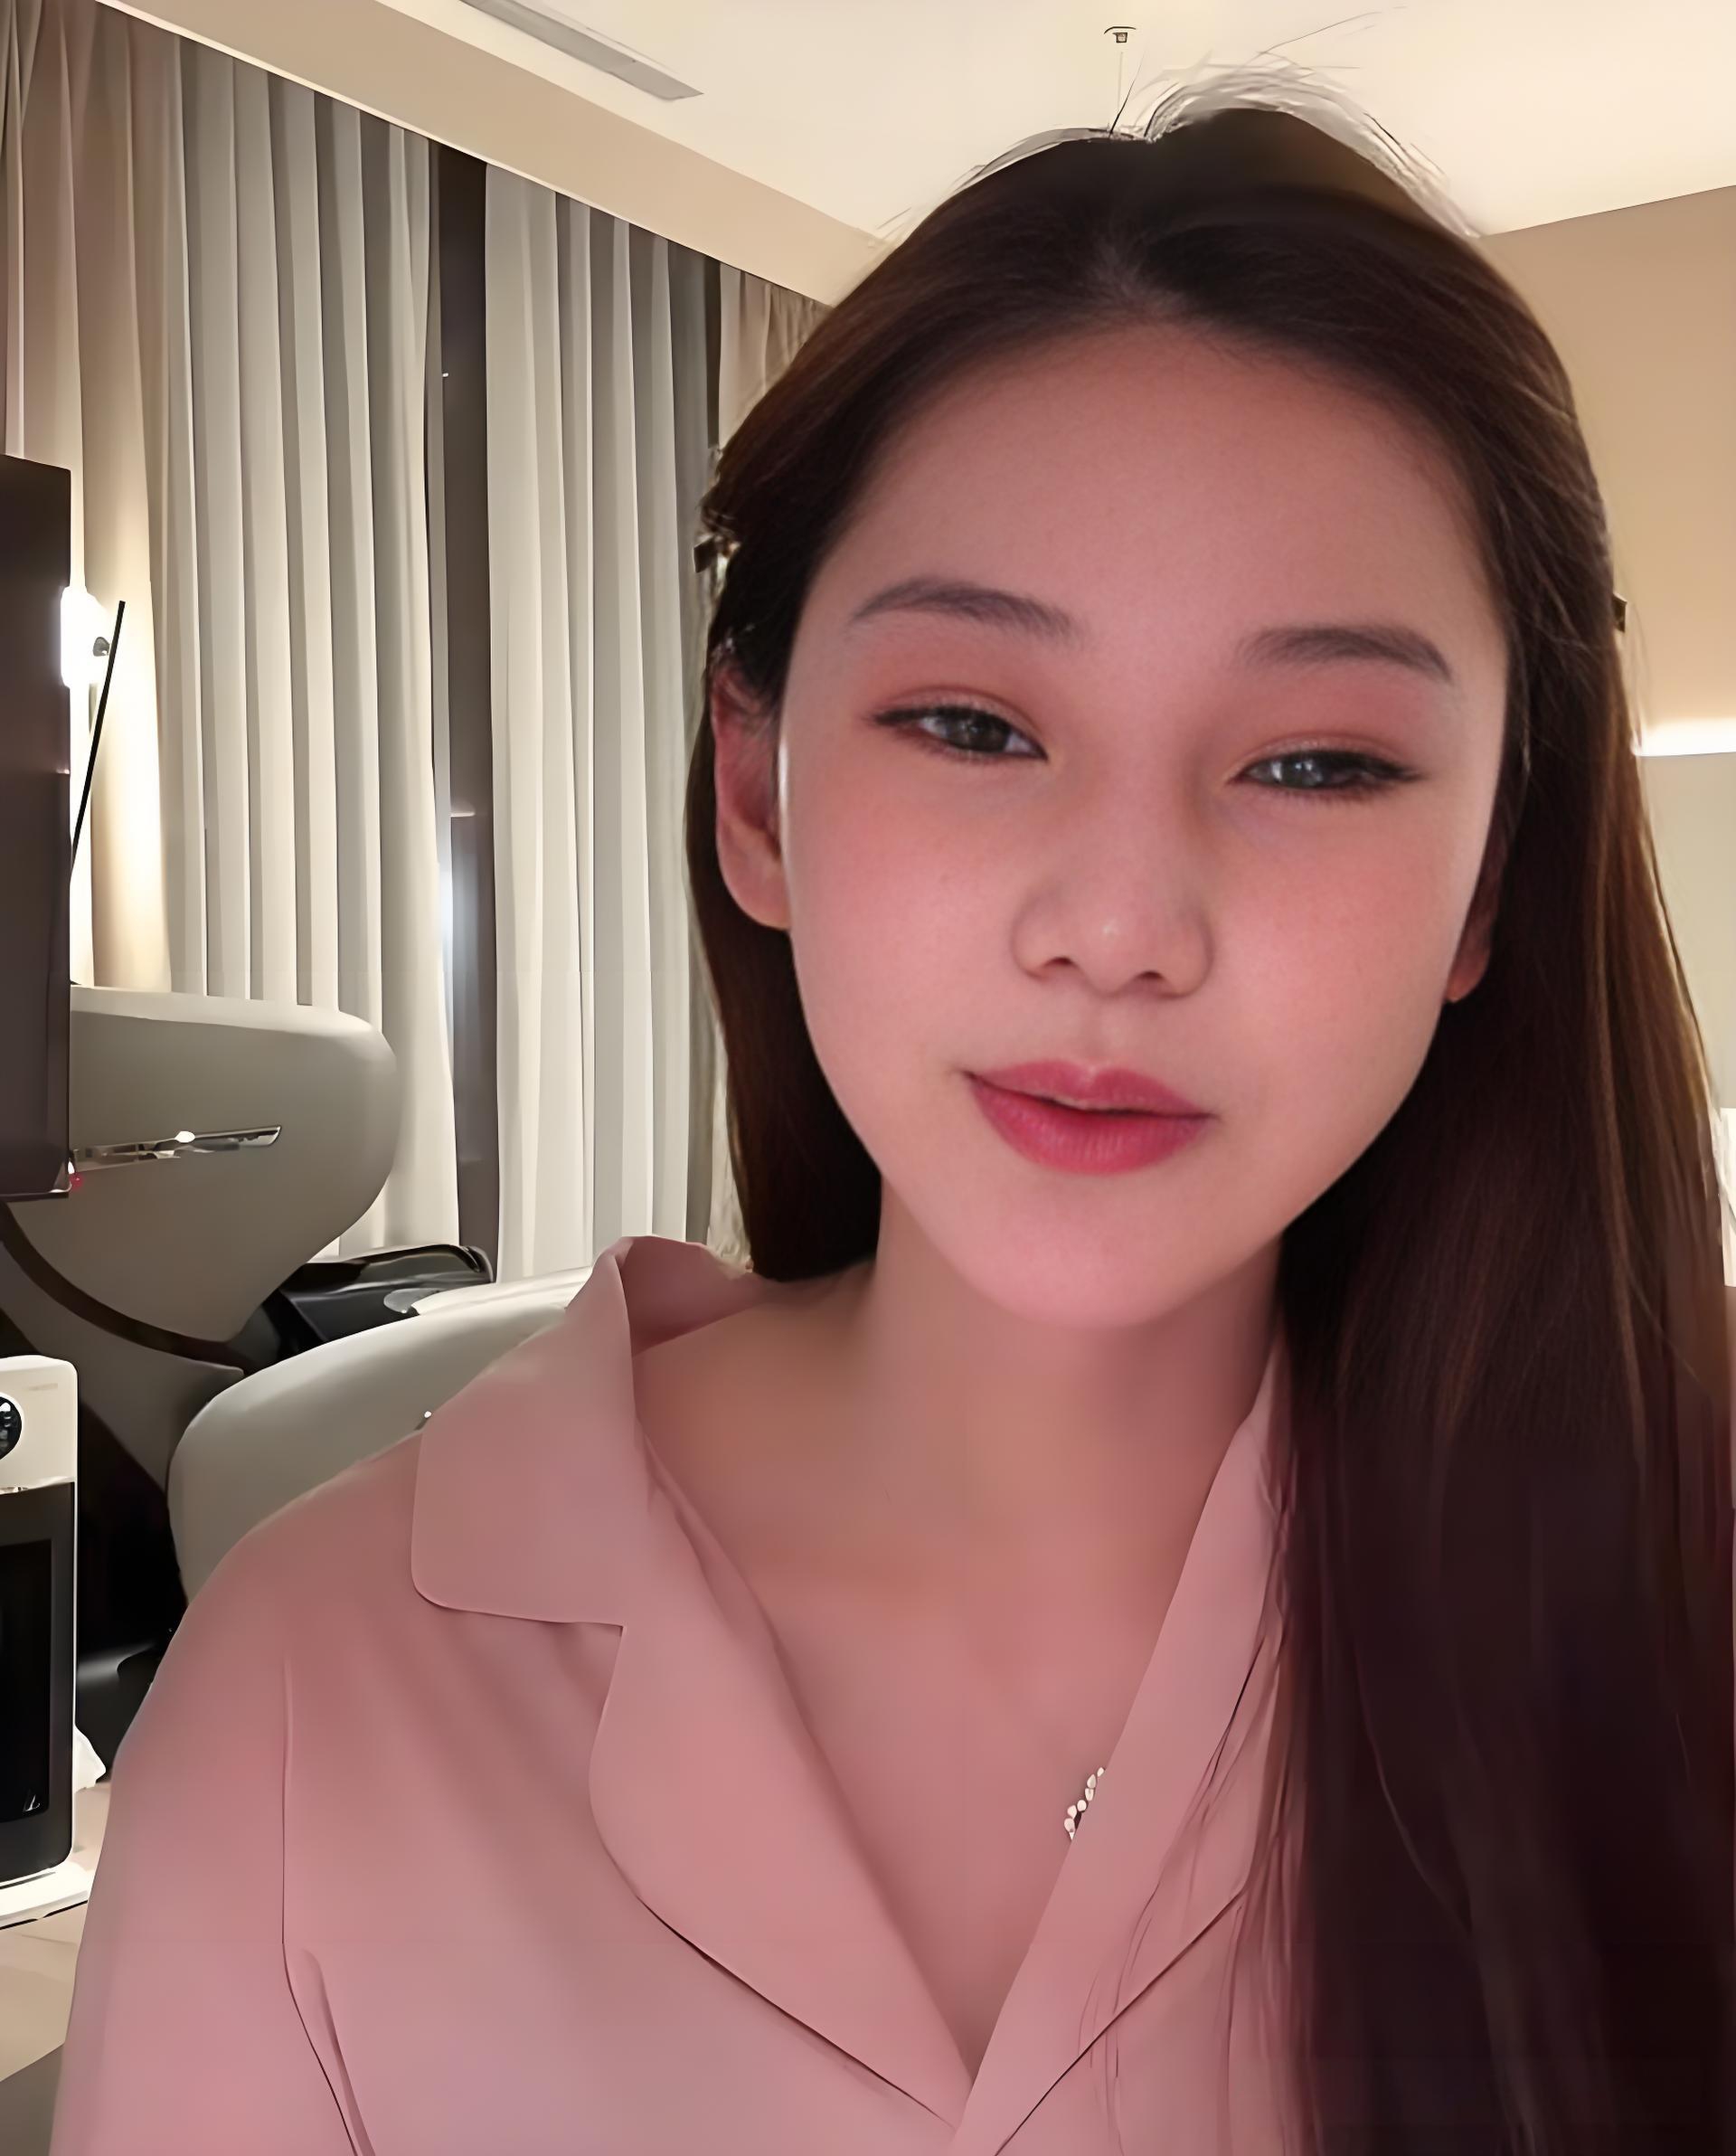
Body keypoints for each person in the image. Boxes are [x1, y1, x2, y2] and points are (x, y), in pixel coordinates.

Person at [50, 69, 1732, 2156]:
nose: (1120, 926)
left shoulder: (1670, 1628)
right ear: (758, 794)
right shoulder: (321, 1690)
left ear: (1490, 881)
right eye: (971, 722)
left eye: (1316, 763)